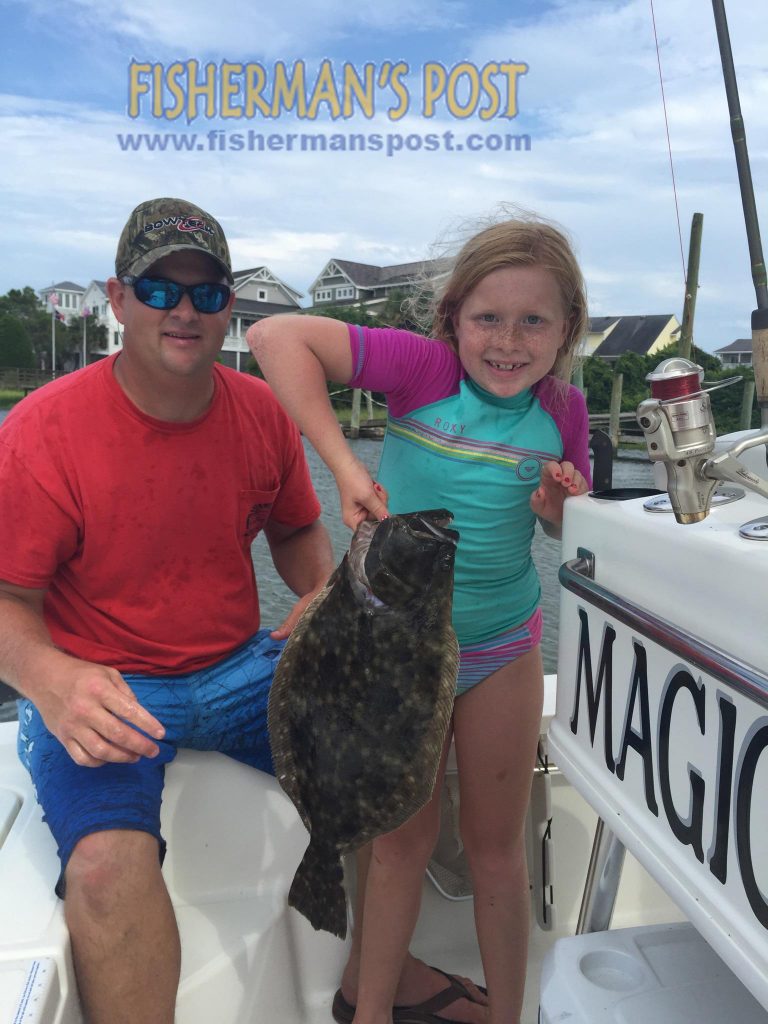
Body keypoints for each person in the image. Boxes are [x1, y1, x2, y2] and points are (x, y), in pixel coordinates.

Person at [247, 214, 592, 1024]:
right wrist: (341, 466)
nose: (508, 341)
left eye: (534, 320)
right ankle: (369, 1012)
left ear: (567, 329)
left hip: (501, 648)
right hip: (395, 647)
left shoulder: (565, 412)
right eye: (487, 318)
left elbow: (563, 530)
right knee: (401, 842)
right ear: (451, 322)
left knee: (497, 852)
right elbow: (271, 336)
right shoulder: (421, 370)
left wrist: (555, 513)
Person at [0, 197, 335, 1024]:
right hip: (105, 682)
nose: (183, 311)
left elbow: (297, 531)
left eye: (206, 292)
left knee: (383, 759)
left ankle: (380, 980)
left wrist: (325, 597)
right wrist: (50, 678)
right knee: (107, 868)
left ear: (228, 305)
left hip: (238, 668)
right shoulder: (42, 431)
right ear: (117, 299)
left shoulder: (261, 414)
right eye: (158, 290)